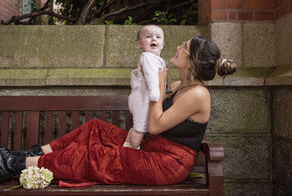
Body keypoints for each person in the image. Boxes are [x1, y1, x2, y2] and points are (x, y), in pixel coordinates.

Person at [0, 35, 236, 186]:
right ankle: (25, 156)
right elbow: (149, 110)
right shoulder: (182, 86)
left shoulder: (198, 94)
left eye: (184, 47)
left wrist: (159, 85)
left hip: (167, 163)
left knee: (96, 155)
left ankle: (12, 164)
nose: (177, 47)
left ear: (193, 61)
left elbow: (154, 125)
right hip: (150, 147)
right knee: (96, 129)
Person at [123, 25, 166, 149]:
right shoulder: (147, 57)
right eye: (148, 37)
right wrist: (154, 94)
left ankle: (127, 145)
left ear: (162, 44)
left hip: (142, 98)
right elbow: (150, 76)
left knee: (137, 127)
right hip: (144, 99)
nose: (154, 39)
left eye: (158, 37)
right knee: (140, 128)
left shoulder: (156, 59)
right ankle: (134, 148)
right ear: (140, 44)